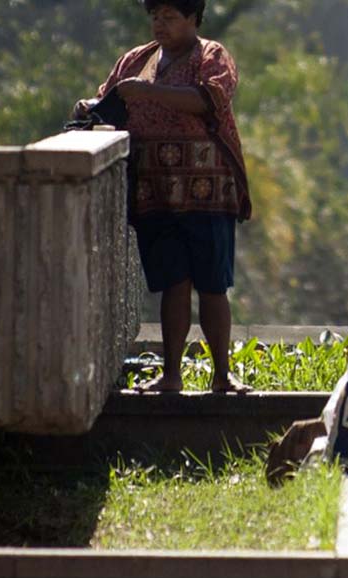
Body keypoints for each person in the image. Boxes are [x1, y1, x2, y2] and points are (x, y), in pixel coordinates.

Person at [73, 0, 252, 393]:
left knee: (212, 286)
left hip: (207, 189)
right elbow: (109, 103)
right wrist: (89, 108)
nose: (160, 25)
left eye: (170, 17)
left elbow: (209, 99)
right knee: (174, 283)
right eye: (156, 17)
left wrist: (149, 93)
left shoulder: (212, 56)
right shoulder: (135, 61)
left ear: (193, 19)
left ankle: (222, 376)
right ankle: (171, 375)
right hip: (155, 192)